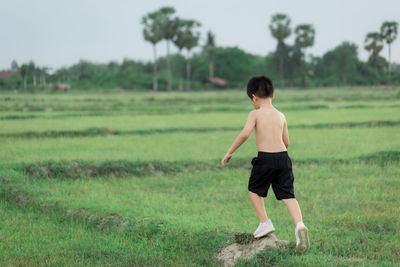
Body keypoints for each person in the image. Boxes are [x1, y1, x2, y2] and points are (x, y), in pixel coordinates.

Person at [220, 75, 310, 253]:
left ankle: (264, 223)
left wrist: (230, 151)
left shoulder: (255, 113)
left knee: (254, 190)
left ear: (254, 97)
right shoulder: (281, 115)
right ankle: (299, 225)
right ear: (273, 95)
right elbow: (286, 141)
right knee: (288, 195)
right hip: (283, 158)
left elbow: (245, 134)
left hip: (265, 159)